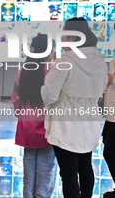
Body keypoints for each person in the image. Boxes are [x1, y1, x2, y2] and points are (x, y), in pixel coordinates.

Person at [41, 17, 108, 198]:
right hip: (89, 122)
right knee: (85, 166)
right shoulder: (99, 60)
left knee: (69, 173)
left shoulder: (64, 62)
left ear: (73, 38)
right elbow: (102, 87)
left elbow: (49, 95)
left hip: (65, 125)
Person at [11, 33, 56, 198]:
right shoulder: (52, 69)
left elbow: (15, 96)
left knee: (29, 161)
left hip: (27, 124)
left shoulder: (23, 70)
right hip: (47, 125)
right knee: (46, 162)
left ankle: (28, 195)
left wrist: (21, 113)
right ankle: (42, 194)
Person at [102, 57, 115, 198]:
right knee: (109, 152)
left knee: (109, 153)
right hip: (111, 115)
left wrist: (112, 79)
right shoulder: (113, 61)